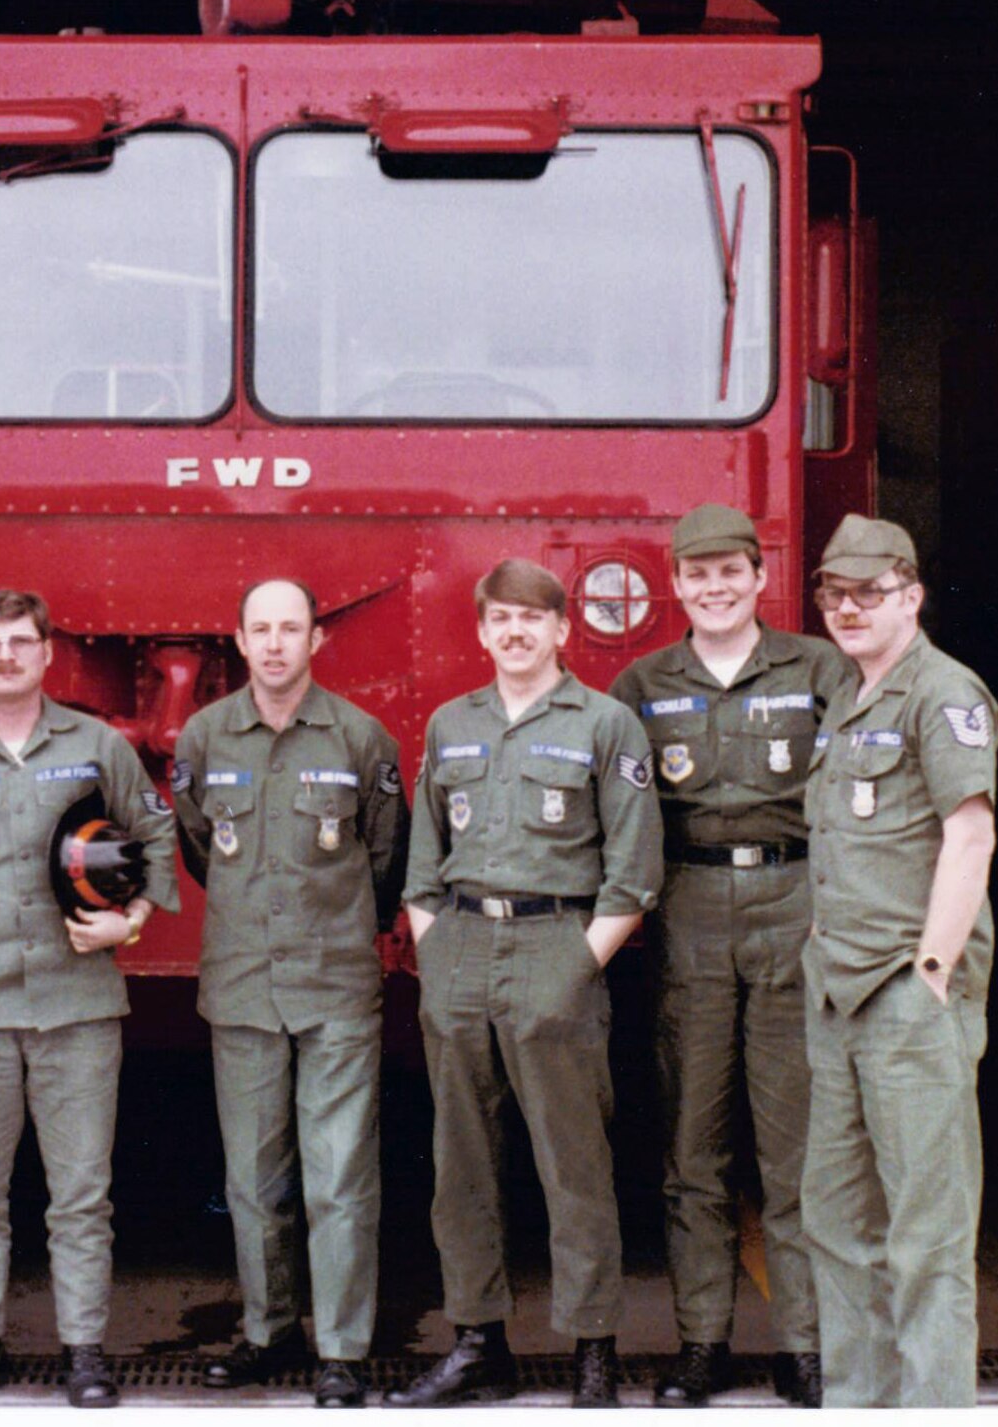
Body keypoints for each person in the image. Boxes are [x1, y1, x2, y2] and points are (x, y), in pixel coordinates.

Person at [0, 588, 179, 1410]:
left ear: (49, 653)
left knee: (80, 1192)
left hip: (78, 1004)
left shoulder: (93, 745)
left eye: (22, 641)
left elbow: (155, 832)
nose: (7, 656)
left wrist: (132, 920)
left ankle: (84, 1348)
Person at [387, 558, 662, 1409]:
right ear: (481, 631)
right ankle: (477, 1340)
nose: (515, 631)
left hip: (557, 944)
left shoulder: (605, 722)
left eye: (532, 618)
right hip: (462, 948)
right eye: (500, 618)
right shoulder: (451, 723)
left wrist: (576, 966)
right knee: (460, 1162)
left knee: (572, 1161)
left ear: (560, 630)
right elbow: (423, 859)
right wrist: (437, 959)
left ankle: (590, 1346)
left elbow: (635, 870)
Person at [608, 504, 849, 1409]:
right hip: (691, 911)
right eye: (697, 574)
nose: (713, 588)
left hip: (796, 904)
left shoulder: (816, 669)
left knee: (797, 1148)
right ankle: (701, 1343)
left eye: (730, 572)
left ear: (758, 576)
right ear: (677, 584)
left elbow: (847, 795)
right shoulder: (641, 683)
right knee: (694, 1147)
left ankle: (806, 1344)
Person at [173, 579, 409, 1409]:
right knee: (253, 1177)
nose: (275, 644)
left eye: (291, 629)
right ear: (237, 640)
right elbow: (201, 848)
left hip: (336, 984)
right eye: (260, 629)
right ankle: (269, 1331)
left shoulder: (359, 736)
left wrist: (343, 927)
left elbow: (385, 858)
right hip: (242, 984)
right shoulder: (204, 737)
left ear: (318, 640)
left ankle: (342, 1347)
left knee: (340, 1175)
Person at [801, 514, 998, 1408]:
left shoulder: (942, 691)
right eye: (834, 594)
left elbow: (971, 834)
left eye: (868, 593)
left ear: (911, 595)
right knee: (839, 1225)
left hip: (903, 994)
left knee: (925, 1237)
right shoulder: (848, 696)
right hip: (838, 992)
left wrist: (932, 971)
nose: (848, 608)